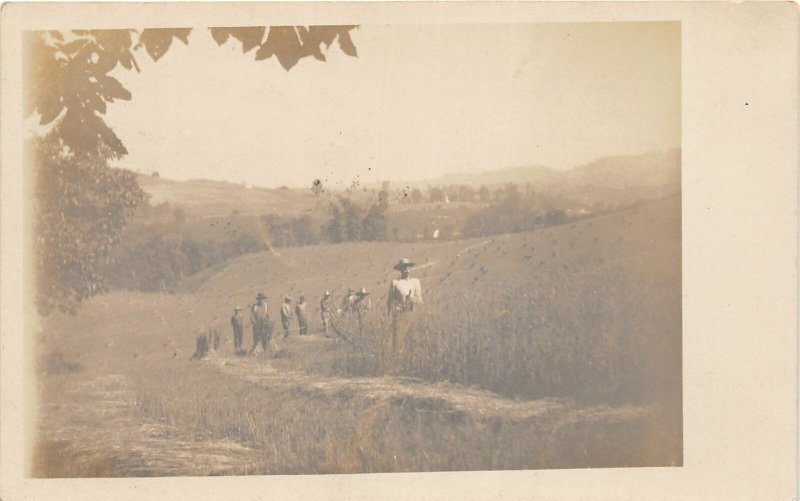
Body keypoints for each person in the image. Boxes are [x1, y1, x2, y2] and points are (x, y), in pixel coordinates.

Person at [386, 258, 423, 372]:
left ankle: (412, 366)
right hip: (399, 315)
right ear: (400, 269)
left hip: (412, 314)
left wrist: (412, 299)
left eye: (407, 267)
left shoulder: (416, 282)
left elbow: (420, 300)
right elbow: (389, 301)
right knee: (398, 341)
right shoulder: (395, 283)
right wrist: (392, 312)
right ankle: (397, 367)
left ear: (410, 268)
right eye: (403, 268)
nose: (406, 270)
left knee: (413, 341)